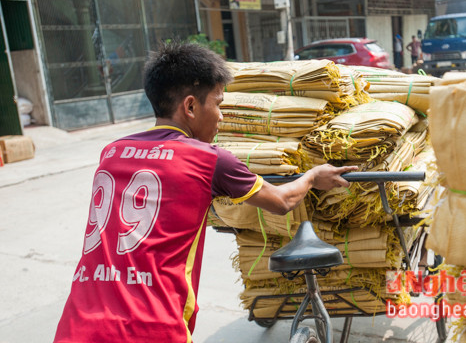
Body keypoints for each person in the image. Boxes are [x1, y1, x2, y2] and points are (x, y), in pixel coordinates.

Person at [53, 41, 356, 343]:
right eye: (218, 103)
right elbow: (282, 201)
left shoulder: (111, 153)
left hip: (76, 328)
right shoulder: (208, 159)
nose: (222, 116)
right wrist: (313, 176)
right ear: (190, 106)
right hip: (152, 329)